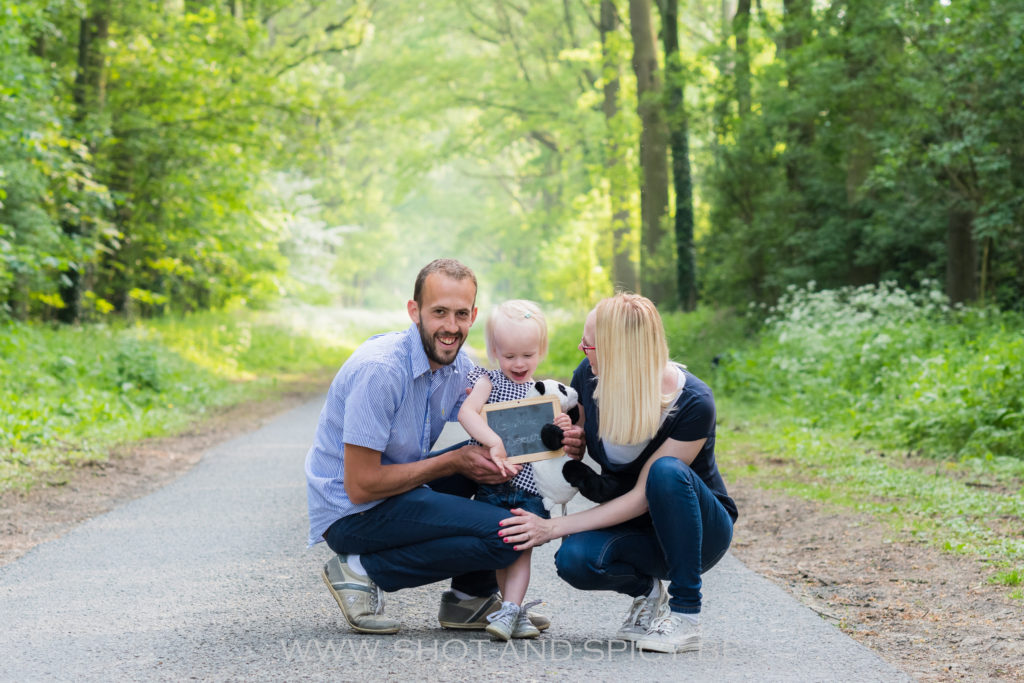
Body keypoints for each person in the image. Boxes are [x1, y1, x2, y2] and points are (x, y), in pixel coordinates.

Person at [304, 259, 583, 634]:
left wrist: (564, 436)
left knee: (483, 454)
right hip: (351, 513)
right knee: (509, 536)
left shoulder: (456, 367)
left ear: (474, 316)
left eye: (461, 314)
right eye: (439, 312)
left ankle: (469, 600)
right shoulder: (381, 372)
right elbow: (361, 486)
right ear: (414, 311)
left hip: (396, 492)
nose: (451, 326)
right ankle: (358, 568)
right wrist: (452, 462)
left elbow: (503, 423)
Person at [496, 293, 738, 653]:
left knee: (666, 473)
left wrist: (552, 528)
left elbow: (644, 496)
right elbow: (565, 431)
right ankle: (649, 592)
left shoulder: (693, 403)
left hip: (700, 533)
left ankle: (686, 614)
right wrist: (569, 439)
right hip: (638, 533)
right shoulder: (591, 376)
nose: (581, 349)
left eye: (588, 344)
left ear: (616, 352)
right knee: (574, 561)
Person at [457, 300, 572, 641]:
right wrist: (493, 441)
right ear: (494, 351)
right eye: (509, 356)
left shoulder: (546, 393)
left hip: (529, 487)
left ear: (541, 350)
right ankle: (511, 609)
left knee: (521, 549)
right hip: (493, 484)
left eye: (527, 355)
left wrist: (562, 424)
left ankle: (510, 608)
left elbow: (555, 440)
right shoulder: (487, 381)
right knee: (502, 547)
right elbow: (467, 413)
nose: (519, 364)